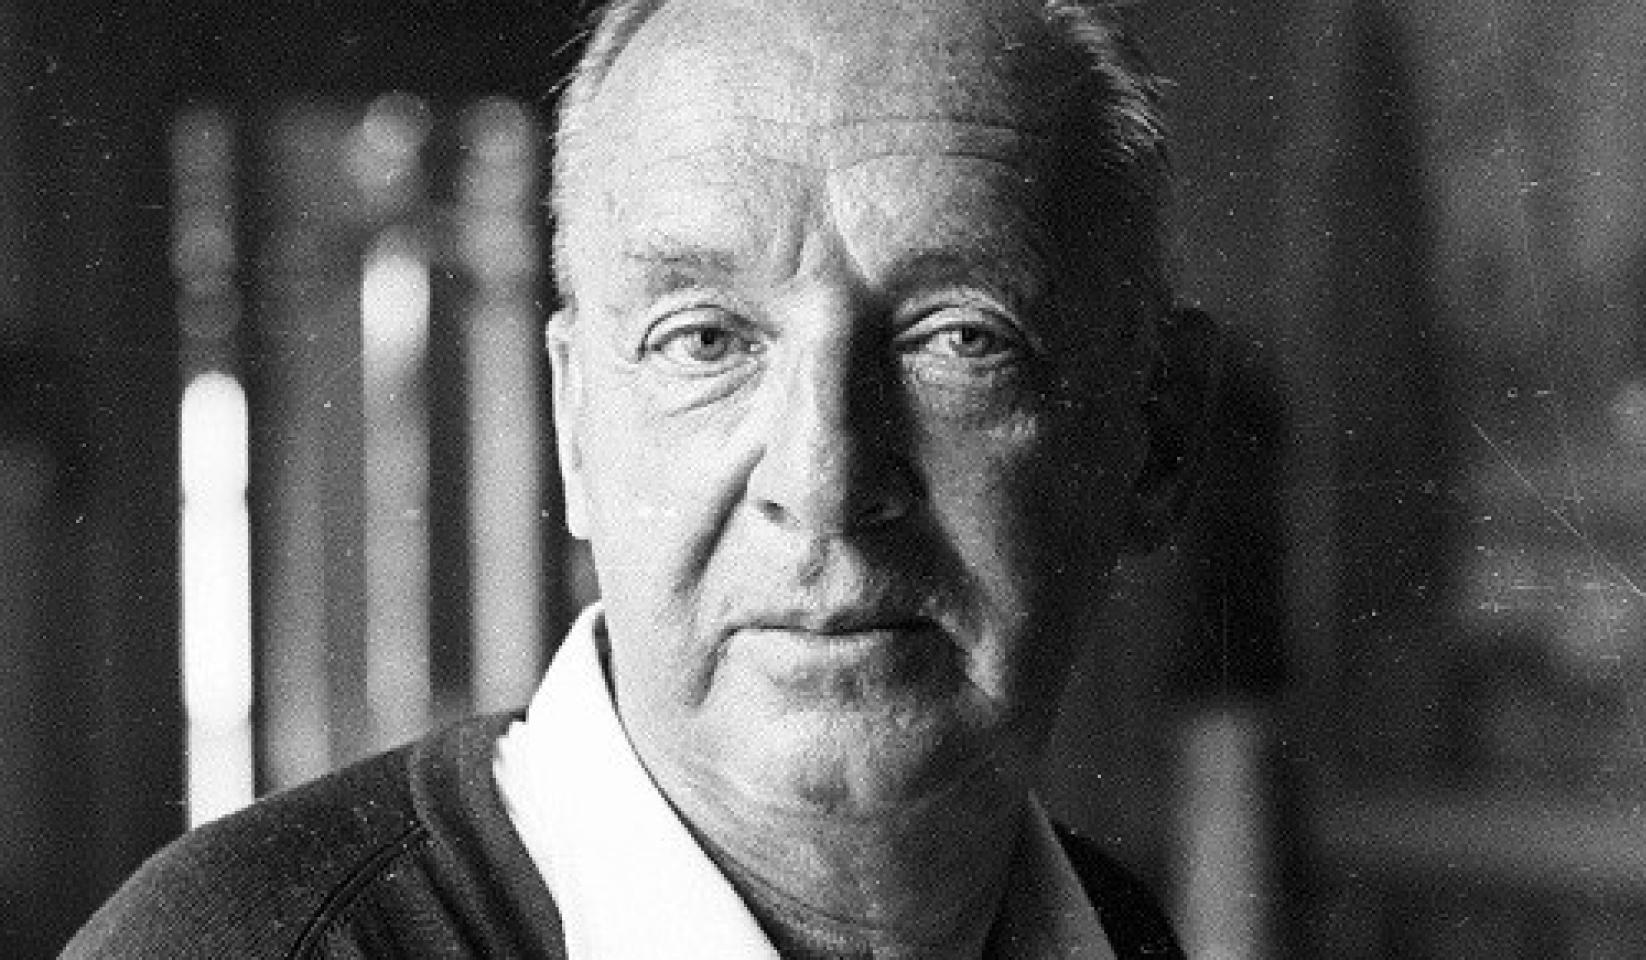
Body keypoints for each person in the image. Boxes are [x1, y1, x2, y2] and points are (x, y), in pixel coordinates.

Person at [63, 0, 1217, 956]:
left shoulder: (1110, 929)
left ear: (1156, 436)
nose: (820, 479)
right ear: (574, 423)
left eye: (959, 339)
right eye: (703, 340)